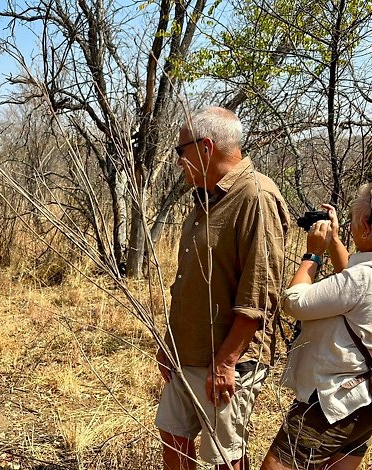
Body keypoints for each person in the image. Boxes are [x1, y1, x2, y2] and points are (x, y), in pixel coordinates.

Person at [261, 175, 372, 470]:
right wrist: (336, 242)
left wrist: (312, 254)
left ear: (364, 223)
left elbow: (294, 303)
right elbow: (355, 284)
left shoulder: (361, 280)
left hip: (335, 402)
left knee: (280, 465)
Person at [157, 106, 289, 470]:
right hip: (189, 353)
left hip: (226, 359)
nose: (179, 160)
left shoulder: (256, 197)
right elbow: (188, 283)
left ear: (206, 148)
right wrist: (172, 344)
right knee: (173, 434)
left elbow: (259, 294)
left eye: (180, 150)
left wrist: (226, 361)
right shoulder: (205, 197)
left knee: (223, 456)